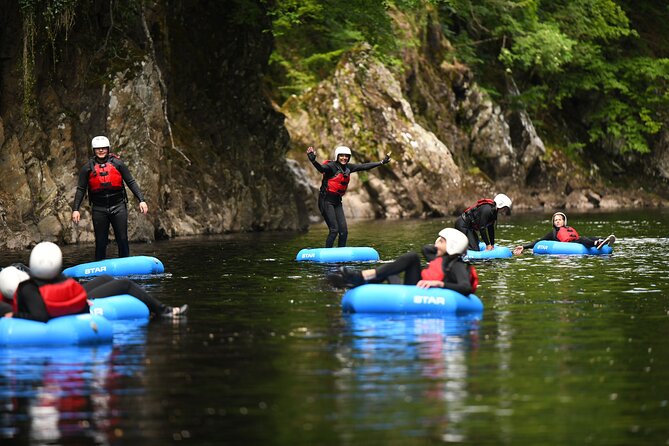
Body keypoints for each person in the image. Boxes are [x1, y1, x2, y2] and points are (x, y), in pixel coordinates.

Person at [0, 242, 187, 321]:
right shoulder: (30, 288)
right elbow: (40, 316)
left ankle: (164, 311)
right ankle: (164, 311)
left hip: (69, 300)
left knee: (106, 278)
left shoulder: (30, 286)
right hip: (68, 303)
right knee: (125, 284)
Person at [328, 228, 478, 294]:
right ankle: (356, 282)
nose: (436, 244)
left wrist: (439, 284)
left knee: (412, 257)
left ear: (452, 245)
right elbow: (426, 248)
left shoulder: (457, 264)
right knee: (390, 271)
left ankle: (361, 277)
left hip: (422, 293)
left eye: (441, 241)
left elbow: (465, 287)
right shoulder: (439, 258)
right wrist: (441, 246)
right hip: (415, 288)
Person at [72, 135, 149, 261]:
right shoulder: (87, 168)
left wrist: (142, 200)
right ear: (94, 150)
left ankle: (125, 264)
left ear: (108, 149)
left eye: (103, 148)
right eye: (98, 149)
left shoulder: (118, 164)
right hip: (99, 209)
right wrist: (75, 209)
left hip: (118, 207)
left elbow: (131, 182)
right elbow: (81, 189)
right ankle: (99, 267)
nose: (101, 151)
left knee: (122, 239)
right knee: (101, 242)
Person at [307, 145, 391, 248]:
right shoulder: (331, 166)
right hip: (326, 201)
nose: (344, 158)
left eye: (346, 156)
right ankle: (327, 254)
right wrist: (313, 161)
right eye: (341, 156)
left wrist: (381, 162)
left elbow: (364, 166)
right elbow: (321, 169)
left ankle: (341, 254)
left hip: (337, 202)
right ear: (337, 156)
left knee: (344, 232)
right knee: (334, 230)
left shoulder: (348, 168)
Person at [512, 212, 616, 255]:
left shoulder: (568, 228)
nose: (557, 221)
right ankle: (596, 244)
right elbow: (539, 241)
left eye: (559, 220)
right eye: (555, 220)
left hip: (576, 241)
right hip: (571, 245)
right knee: (583, 239)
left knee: (588, 237)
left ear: (563, 221)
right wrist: (524, 247)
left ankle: (604, 240)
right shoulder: (553, 233)